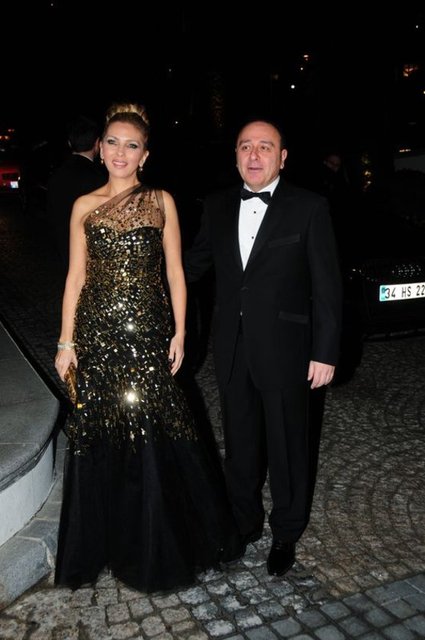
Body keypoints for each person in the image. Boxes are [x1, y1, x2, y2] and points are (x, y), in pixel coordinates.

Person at [54, 102, 238, 593]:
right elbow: (76, 277)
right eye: (113, 142)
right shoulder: (83, 205)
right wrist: (66, 341)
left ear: (145, 155)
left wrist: (180, 332)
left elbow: (175, 272)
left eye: (131, 145)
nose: (120, 152)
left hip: (147, 333)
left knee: (154, 429)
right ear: (100, 149)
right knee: (102, 429)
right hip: (97, 334)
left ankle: (158, 543)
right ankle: (107, 541)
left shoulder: (160, 200)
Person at [185, 119, 342, 577]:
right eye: (245, 147)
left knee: (289, 446)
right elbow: (192, 266)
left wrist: (325, 351)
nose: (254, 155)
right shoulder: (216, 205)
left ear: (282, 157)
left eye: (265, 147)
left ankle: (286, 532)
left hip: (288, 351)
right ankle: (243, 523)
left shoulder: (309, 207)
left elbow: (327, 286)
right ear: (235, 155)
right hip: (232, 349)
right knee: (240, 445)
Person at [47, 116, 106, 268]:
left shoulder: (56, 175)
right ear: (97, 143)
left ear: (69, 143)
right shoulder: (99, 179)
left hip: (64, 248)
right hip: (91, 255)